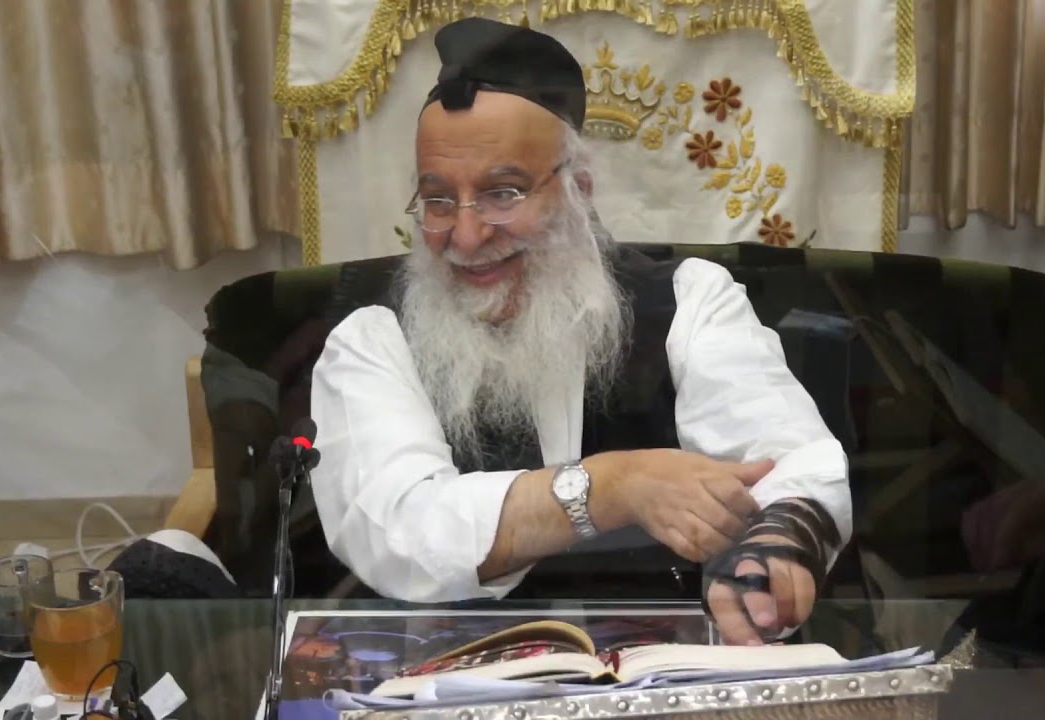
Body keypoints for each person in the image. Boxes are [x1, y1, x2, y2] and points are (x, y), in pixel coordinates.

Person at [310, 17, 850, 645]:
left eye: (502, 193)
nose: (466, 235)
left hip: (665, 670)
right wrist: (609, 488)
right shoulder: (373, 339)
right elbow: (401, 529)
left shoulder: (688, 299)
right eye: (438, 201)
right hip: (453, 672)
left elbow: (790, 457)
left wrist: (771, 546)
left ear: (578, 192)